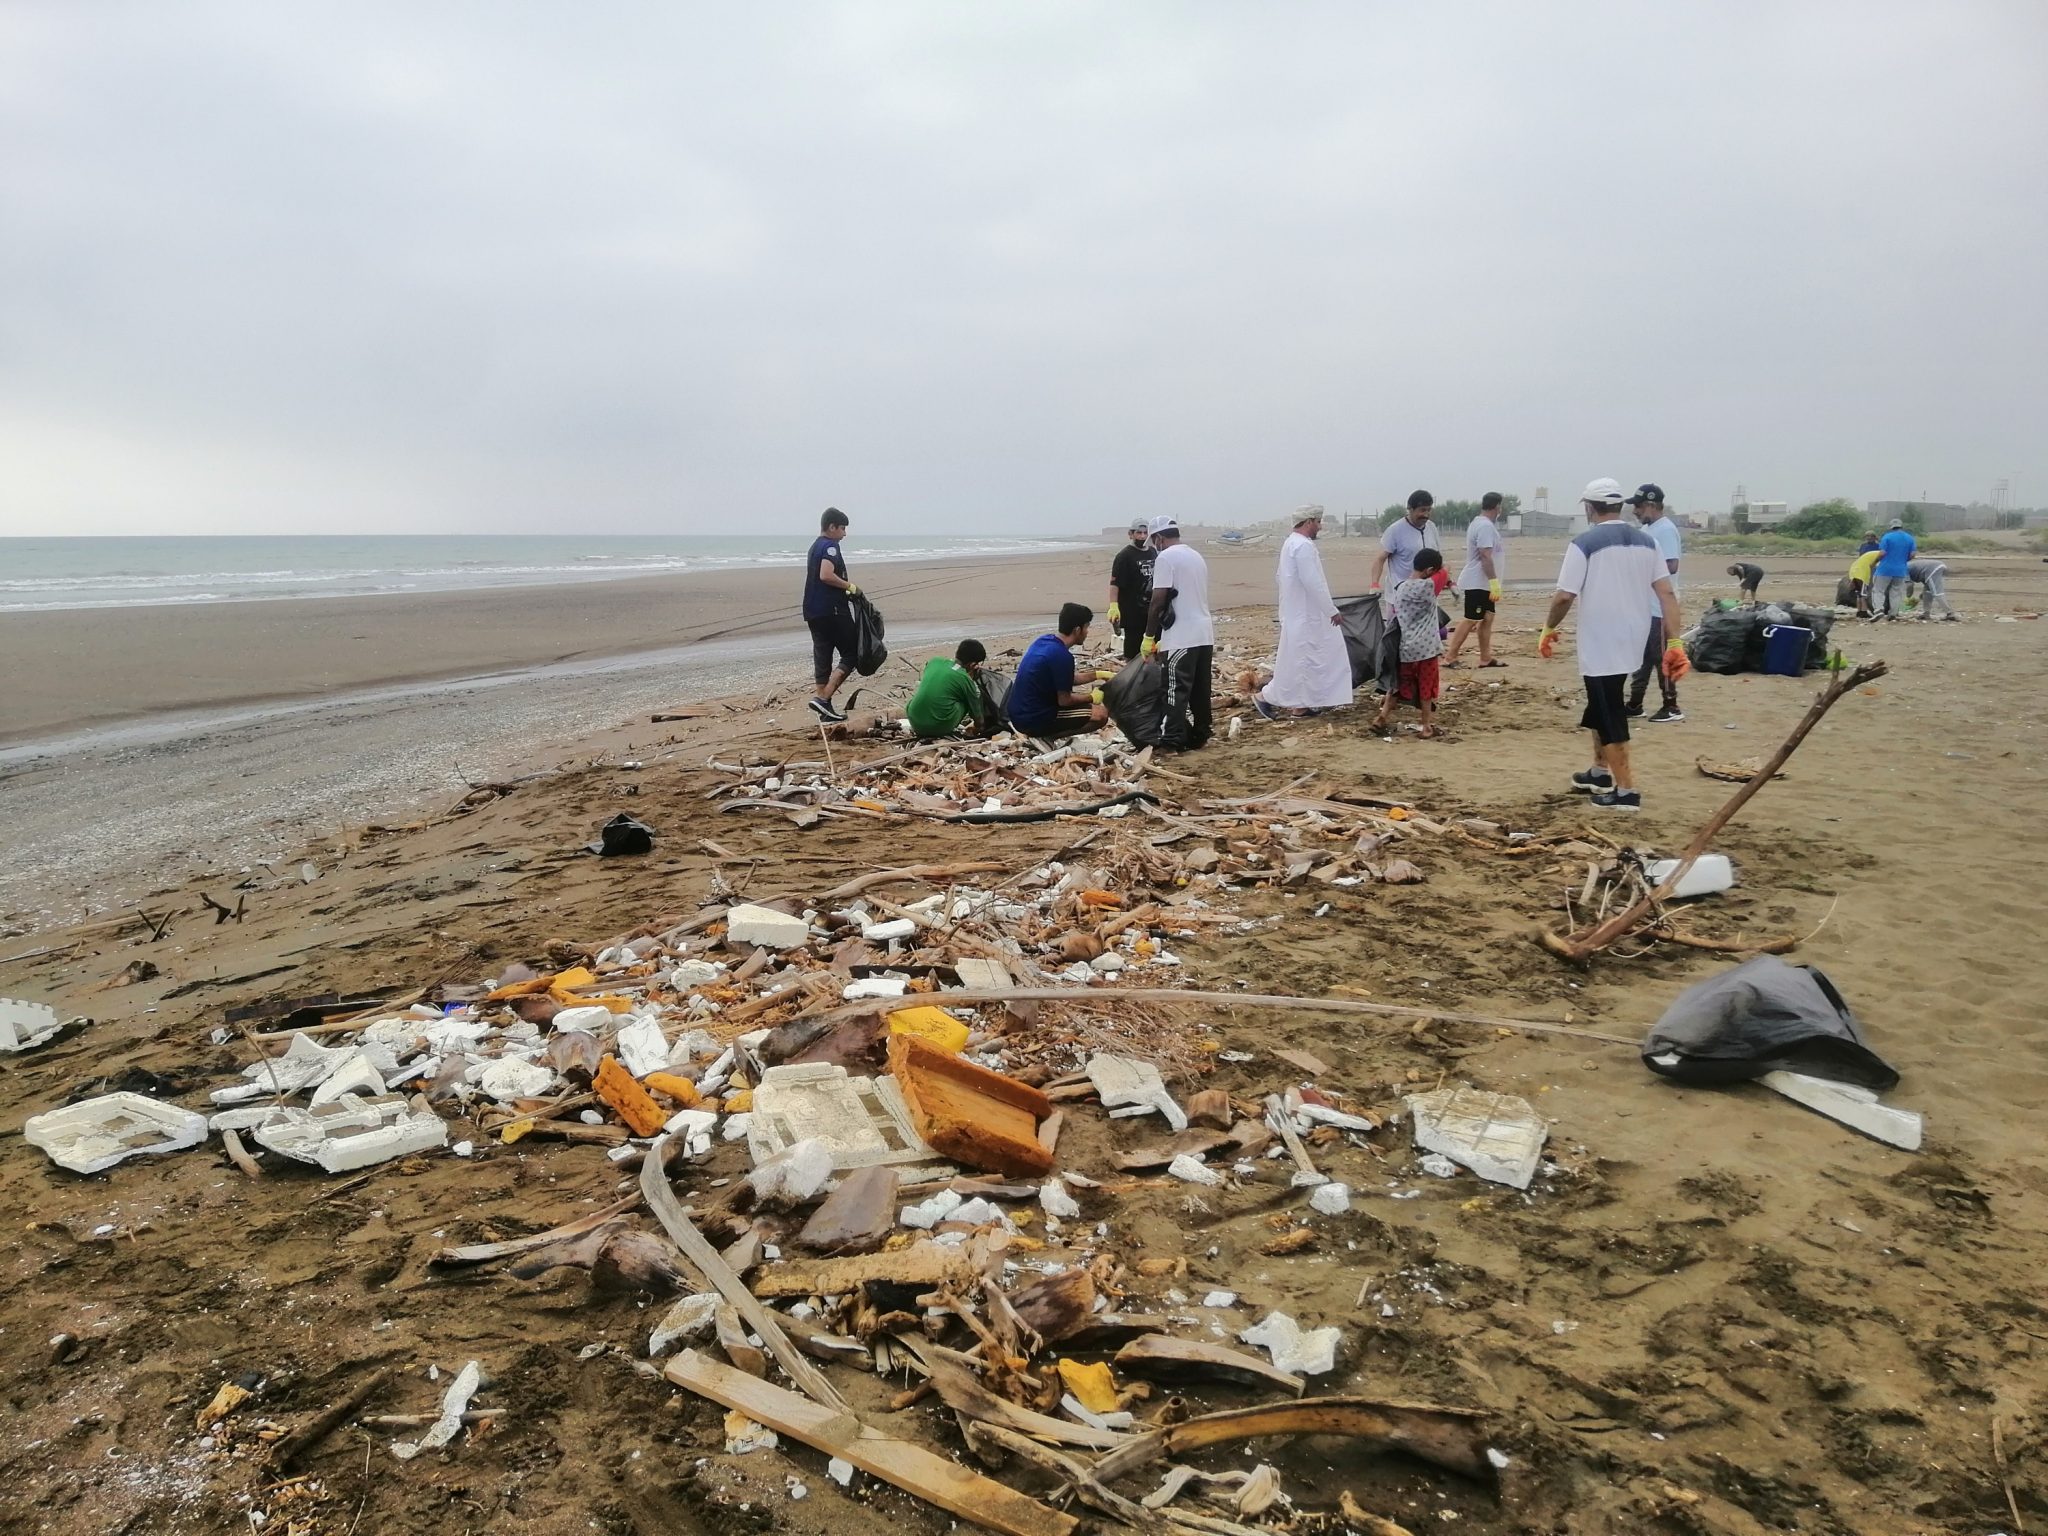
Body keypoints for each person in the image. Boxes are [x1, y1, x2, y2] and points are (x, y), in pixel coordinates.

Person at [1537, 478, 1687, 813]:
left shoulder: (1584, 543)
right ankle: (1599, 772)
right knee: (1599, 703)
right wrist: (1675, 640)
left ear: (1590, 508)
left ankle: (1627, 791)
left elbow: (1564, 596)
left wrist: (1548, 629)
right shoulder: (1648, 541)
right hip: (1633, 636)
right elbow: (1667, 593)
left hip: (1601, 641)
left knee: (1610, 712)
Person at [1254, 506, 1350, 719]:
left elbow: (1282, 578)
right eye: (1318, 522)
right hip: (1306, 615)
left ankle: (1301, 705)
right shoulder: (1303, 546)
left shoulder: (1291, 543)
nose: (1320, 527)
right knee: (1302, 661)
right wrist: (1331, 610)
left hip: (1298, 613)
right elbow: (1312, 582)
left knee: (1303, 660)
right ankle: (1265, 696)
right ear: (1309, 522)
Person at [1141, 517, 1215, 751]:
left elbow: (1158, 600)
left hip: (1182, 635)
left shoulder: (1165, 558)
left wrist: (1149, 637)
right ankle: (1201, 732)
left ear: (1159, 538)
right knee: (1200, 688)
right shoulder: (1195, 556)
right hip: (1204, 633)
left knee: (1175, 688)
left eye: (1154, 542)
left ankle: (1172, 739)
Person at [1624, 484, 1685, 724]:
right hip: (1645, 607)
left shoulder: (1665, 530)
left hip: (1660, 607)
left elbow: (1671, 565)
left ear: (1650, 505)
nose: (1635, 511)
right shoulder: (1649, 529)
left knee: (1661, 658)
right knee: (1643, 657)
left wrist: (1639, 570)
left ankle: (1671, 705)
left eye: (1638, 507)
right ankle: (1635, 703)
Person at [1007, 604, 1110, 738]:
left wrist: (1098, 675)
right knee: (1101, 714)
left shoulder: (1044, 641)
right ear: (1077, 630)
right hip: (1033, 718)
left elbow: (1066, 678)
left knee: (1084, 703)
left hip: (1018, 713)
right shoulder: (1062, 656)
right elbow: (1065, 701)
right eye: (1086, 627)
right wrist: (1091, 697)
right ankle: (1049, 737)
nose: (1087, 632)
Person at [1374, 548, 1447, 737]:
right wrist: (1444, 573)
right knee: (1426, 688)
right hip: (1427, 649)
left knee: (1397, 686)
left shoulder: (1401, 588)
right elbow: (1444, 573)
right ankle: (1426, 726)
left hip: (1406, 648)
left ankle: (1382, 717)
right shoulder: (1428, 587)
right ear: (1429, 570)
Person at [803, 508, 859, 723]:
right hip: (832, 611)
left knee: (823, 657)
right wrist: (849, 586)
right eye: (842, 528)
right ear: (832, 527)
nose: (844, 534)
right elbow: (826, 575)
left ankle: (824, 712)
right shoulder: (830, 546)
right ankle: (823, 698)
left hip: (813, 611)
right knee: (851, 653)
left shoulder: (814, 546)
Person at [1444, 492, 1507, 668]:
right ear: (1497, 507)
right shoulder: (1484, 526)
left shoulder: (1484, 524)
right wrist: (1493, 582)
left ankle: (1485, 658)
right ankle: (1450, 656)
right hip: (1477, 582)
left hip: (1485, 584)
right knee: (1471, 618)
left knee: (1488, 617)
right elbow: (1485, 555)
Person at [906, 640, 994, 739]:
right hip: (937, 727)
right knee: (969, 696)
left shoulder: (934, 661)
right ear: (972, 665)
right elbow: (978, 720)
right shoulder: (964, 678)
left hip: (913, 721)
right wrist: (978, 728)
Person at [1369, 490, 1442, 592]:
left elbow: (1438, 560)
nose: (1426, 514)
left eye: (1429, 510)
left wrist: (1449, 583)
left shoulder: (1431, 527)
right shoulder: (1395, 530)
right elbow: (1380, 559)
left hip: (1425, 594)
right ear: (1410, 509)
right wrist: (1375, 584)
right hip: (1399, 594)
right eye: (1422, 510)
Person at [1107, 518, 1155, 662]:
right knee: (1133, 651)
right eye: (1139, 533)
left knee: (1153, 649)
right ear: (1131, 534)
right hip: (1133, 613)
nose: (1142, 536)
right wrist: (1113, 606)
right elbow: (1115, 583)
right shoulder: (1124, 556)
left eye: (1145, 533)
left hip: (1152, 610)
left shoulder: (1153, 552)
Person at [1871, 518, 1916, 620]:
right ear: (1901, 526)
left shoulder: (1887, 537)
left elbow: (1882, 553)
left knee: (1878, 590)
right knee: (1896, 592)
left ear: (1891, 527)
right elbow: (1913, 554)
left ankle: (1878, 610)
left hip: (1884, 569)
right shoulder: (1910, 538)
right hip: (1901, 570)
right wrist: (1903, 560)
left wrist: (1874, 562)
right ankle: (1893, 613)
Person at [1845, 546, 1880, 616]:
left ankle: (1859, 611)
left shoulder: (1873, 554)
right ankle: (1864, 612)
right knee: (1864, 594)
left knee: (1859, 594)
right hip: (1862, 573)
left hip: (1854, 570)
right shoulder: (1882, 555)